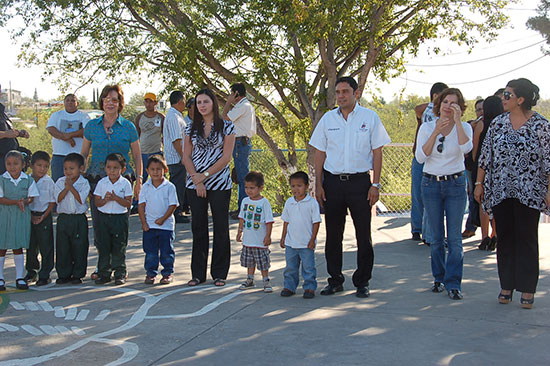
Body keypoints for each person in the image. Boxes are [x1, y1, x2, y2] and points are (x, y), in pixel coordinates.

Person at [310, 76, 391, 298]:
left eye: (345, 91)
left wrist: (375, 184)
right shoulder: (327, 120)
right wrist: (318, 184)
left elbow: (377, 151)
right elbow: (319, 152)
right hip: (333, 183)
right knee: (333, 235)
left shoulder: (370, 118)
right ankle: (335, 279)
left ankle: (362, 281)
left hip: (360, 184)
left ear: (356, 93)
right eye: (337, 92)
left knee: (363, 234)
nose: (341, 96)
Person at [475, 78, 550, 309]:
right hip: (500, 190)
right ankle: (506, 285)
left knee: (527, 239)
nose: (503, 99)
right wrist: (479, 183)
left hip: (530, 192)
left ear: (521, 99)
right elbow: (485, 156)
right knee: (505, 238)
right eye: (503, 95)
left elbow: (549, 161)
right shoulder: (497, 124)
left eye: (508, 95)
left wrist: (548, 190)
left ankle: (527, 289)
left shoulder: (541, 125)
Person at [415, 88, 473, 300]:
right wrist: (435, 131)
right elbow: (421, 157)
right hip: (431, 184)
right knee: (437, 237)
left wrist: (457, 123)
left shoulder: (465, 127)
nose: (449, 106)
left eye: (454, 103)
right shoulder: (427, 127)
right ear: (439, 104)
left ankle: (454, 282)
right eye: (446, 102)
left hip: (455, 185)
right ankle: (438, 278)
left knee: (455, 238)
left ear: (460, 107)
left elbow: (466, 148)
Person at [81, 84, 142, 281]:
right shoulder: (92, 126)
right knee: (100, 227)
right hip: (98, 181)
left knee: (119, 229)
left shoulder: (129, 127)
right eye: (106, 99)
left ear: (120, 103)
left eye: (114, 99)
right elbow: (83, 155)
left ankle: (119, 269)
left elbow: (137, 156)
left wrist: (139, 181)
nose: (110, 103)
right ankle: (103, 268)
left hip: (122, 182)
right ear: (102, 102)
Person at [183, 88, 235, 287]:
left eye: (205, 102)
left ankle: (220, 273)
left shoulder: (227, 127)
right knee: (199, 227)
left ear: (213, 103)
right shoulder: (190, 128)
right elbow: (186, 156)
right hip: (195, 184)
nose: (202, 106)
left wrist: (205, 175)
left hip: (219, 183)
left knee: (221, 227)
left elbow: (226, 157)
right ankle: (197, 274)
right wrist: (197, 181)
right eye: (198, 103)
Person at [411, 82, 448, 245]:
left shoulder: (445, 113)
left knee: (431, 196)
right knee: (418, 193)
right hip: (422, 155)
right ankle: (417, 228)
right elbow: (417, 109)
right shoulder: (425, 110)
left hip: (437, 158)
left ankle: (429, 232)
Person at [0, 150, 39, 291]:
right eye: (8, 164)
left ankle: (19, 277)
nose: (12, 167)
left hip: (20, 216)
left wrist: (25, 201)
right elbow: (1, 199)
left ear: (23, 164)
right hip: (4, 216)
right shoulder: (2, 179)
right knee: (2, 247)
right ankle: (0, 278)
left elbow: (32, 197)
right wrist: (16, 202)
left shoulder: (27, 180)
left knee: (18, 246)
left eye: (15, 163)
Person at [279, 171, 321, 299]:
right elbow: (286, 221)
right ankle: (289, 287)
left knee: (308, 267)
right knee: (290, 267)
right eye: (293, 186)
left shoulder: (312, 203)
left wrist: (312, 239)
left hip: (306, 243)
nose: (295, 189)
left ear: (307, 186)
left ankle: (309, 287)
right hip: (291, 243)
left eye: (299, 186)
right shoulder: (289, 202)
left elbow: (316, 222)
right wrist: (283, 237)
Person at [93, 153, 133, 285]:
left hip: (119, 218)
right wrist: (105, 200)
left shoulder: (125, 183)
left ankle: (120, 272)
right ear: (105, 168)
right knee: (104, 245)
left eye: (116, 168)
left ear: (123, 168)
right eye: (109, 167)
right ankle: (104, 273)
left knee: (119, 246)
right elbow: (96, 202)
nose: (112, 171)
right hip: (104, 218)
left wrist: (116, 198)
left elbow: (128, 204)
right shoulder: (102, 183)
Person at [138, 155, 179, 285]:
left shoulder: (169, 187)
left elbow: (173, 205)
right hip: (150, 226)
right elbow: (141, 205)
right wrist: (144, 222)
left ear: (165, 170)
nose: (155, 172)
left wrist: (163, 219)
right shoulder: (145, 187)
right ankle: (151, 273)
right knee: (150, 252)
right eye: (152, 169)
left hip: (165, 226)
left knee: (167, 251)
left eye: (158, 169)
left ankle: (167, 273)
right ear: (147, 171)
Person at [54, 153, 90, 284]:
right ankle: (63, 273)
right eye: (65, 169)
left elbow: (81, 199)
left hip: (78, 218)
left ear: (80, 169)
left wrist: (71, 187)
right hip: (64, 218)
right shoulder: (59, 182)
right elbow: (58, 199)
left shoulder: (83, 183)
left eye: (71, 168)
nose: (68, 172)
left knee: (79, 246)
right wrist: (66, 187)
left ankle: (77, 274)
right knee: (63, 247)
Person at [472, 96, 502, 251]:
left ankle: (484, 237)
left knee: (482, 202)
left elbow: (475, 149)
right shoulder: (503, 125)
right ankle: (495, 235)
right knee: (496, 202)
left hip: (482, 168)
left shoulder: (481, 125)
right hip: (498, 169)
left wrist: (475, 164)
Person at [222, 83, 256, 219]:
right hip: (241, 142)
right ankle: (241, 207)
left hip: (240, 142)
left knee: (242, 177)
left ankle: (243, 209)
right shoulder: (244, 105)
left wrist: (228, 102)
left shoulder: (243, 106)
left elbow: (225, 116)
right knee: (240, 176)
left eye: (232, 93)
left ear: (236, 93)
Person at [236, 171, 274, 293]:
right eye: (246, 187)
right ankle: (250, 279)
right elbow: (242, 217)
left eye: (252, 188)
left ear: (260, 187)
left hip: (260, 241)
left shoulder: (264, 203)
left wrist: (268, 236)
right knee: (249, 261)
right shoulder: (245, 201)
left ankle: (266, 280)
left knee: (263, 262)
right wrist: (239, 231)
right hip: (248, 240)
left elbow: (269, 221)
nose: (249, 190)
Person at [24, 151, 56, 286]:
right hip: (30, 216)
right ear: (31, 165)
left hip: (44, 215)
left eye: (45, 166)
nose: (42, 169)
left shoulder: (48, 182)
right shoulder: (26, 180)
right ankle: (32, 271)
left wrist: (43, 216)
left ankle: (45, 273)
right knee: (31, 246)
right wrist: (30, 216)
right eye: (39, 165)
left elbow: (51, 202)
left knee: (46, 245)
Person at [130, 92, 164, 213]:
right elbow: (136, 135)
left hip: (157, 152)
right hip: (143, 152)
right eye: (146, 101)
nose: (148, 104)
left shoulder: (160, 117)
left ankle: (161, 201)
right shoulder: (140, 117)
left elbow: (164, 135)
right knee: (141, 178)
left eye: (151, 101)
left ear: (155, 103)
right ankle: (136, 202)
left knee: (159, 178)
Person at [46, 94, 91, 181]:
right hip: (59, 155)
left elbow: (86, 131)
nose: (70, 102)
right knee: (58, 183)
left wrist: (70, 135)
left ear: (77, 103)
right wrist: (66, 138)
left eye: (73, 100)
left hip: (77, 156)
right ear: (64, 103)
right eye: (68, 100)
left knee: (77, 184)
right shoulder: (56, 115)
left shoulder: (84, 116)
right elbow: (51, 129)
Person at [163, 91, 190, 224]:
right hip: (176, 158)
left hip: (179, 157)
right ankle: (176, 212)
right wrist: (183, 156)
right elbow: (176, 140)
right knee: (177, 185)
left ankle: (179, 210)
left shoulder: (177, 115)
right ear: (179, 101)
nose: (185, 104)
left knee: (181, 185)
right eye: (184, 101)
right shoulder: (173, 116)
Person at [462, 99, 484, 239]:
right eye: (478, 109)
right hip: (471, 167)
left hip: (483, 167)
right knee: (472, 196)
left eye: (482, 109)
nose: (480, 112)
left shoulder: (491, 124)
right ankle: (471, 226)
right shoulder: (471, 125)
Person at [0, 103, 30, 175]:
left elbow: (9, 131)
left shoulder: (2, 112)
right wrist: (5, 134)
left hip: (12, 157)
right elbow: (6, 133)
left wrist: (19, 133)